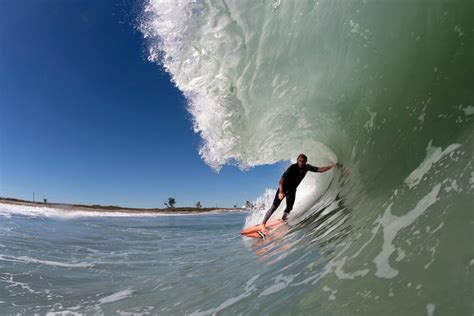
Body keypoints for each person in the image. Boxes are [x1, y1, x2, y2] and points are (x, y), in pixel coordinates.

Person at [258, 154, 337, 231]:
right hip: (284, 189)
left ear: (306, 162)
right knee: (274, 207)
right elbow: (281, 181)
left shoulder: (307, 167)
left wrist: (330, 166)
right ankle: (262, 224)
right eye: (299, 161)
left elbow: (319, 170)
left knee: (289, 208)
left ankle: (283, 219)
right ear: (297, 160)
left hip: (292, 190)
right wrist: (281, 192)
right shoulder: (292, 168)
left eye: (303, 161)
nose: (301, 163)